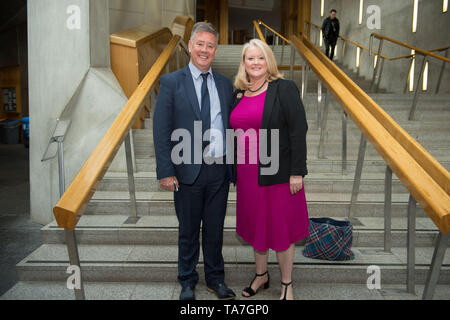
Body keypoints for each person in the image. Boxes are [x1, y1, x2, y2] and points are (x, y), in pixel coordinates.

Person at [153, 22, 236, 301]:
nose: (204, 50)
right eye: (200, 44)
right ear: (190, 46)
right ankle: (187, 281)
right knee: (188, 231)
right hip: (185, 171)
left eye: (210, 45)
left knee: (214, 231)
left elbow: (234, 126)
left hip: (218, 172)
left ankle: (215, 279)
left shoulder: (225, 85)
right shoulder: (171, 82)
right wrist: (166, 171)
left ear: (215, 50)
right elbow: (161, 129)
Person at [230, 39, 309, 300]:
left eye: (260, 58)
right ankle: (261, 275)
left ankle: (287, 283)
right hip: (247, 174)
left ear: (269, 62)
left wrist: (297, 172)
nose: (255, 63)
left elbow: (298, 130)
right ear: (244, 63)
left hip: (277, 173)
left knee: (281, 228)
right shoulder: (239, 92)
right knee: (257, 226)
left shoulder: (283, 88)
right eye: (250, 58)